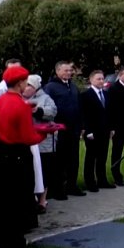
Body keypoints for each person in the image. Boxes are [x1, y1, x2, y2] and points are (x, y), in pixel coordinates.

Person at [0, 65, 51, 248]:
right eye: (25, 81)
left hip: (2, 156)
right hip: (18, 157)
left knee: (5, 207)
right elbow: (28, 137)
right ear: (21, 83)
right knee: (18, 206)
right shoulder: (20, 105)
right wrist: (44, 132)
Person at [43, 61, 84, 198]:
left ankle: (71, 185)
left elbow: (78, 107)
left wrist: (80, 126)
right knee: (59, 161)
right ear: (58, 71)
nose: (69, 73)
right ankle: (57, 189)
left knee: (73, 159)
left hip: (74, 129)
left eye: (70, 70)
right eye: (66, 70)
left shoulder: (72, 86)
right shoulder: (51, 87)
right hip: (59, 129)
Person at [24, 75, 58, 211]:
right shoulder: (21, 99)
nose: (25, 88)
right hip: (29, 142)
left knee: (44, 170)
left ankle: (42, 200)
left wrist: (37, 111)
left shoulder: (45, 98)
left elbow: (53, 111)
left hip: (44, 142)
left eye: (29, 86)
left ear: (36, 87)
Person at [79, 70, 113, 192]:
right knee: (91, 157)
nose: (101, 81)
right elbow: (84, 115)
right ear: (91, 80)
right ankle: (90, 182)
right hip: (92, 132)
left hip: (104, 131)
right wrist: (87, 131)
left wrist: (111, 128)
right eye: (98, 79)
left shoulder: (106, 94)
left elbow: (109, 113)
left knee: (102, 157)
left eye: (102, 78)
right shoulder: (86, 95)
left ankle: (102, 180)